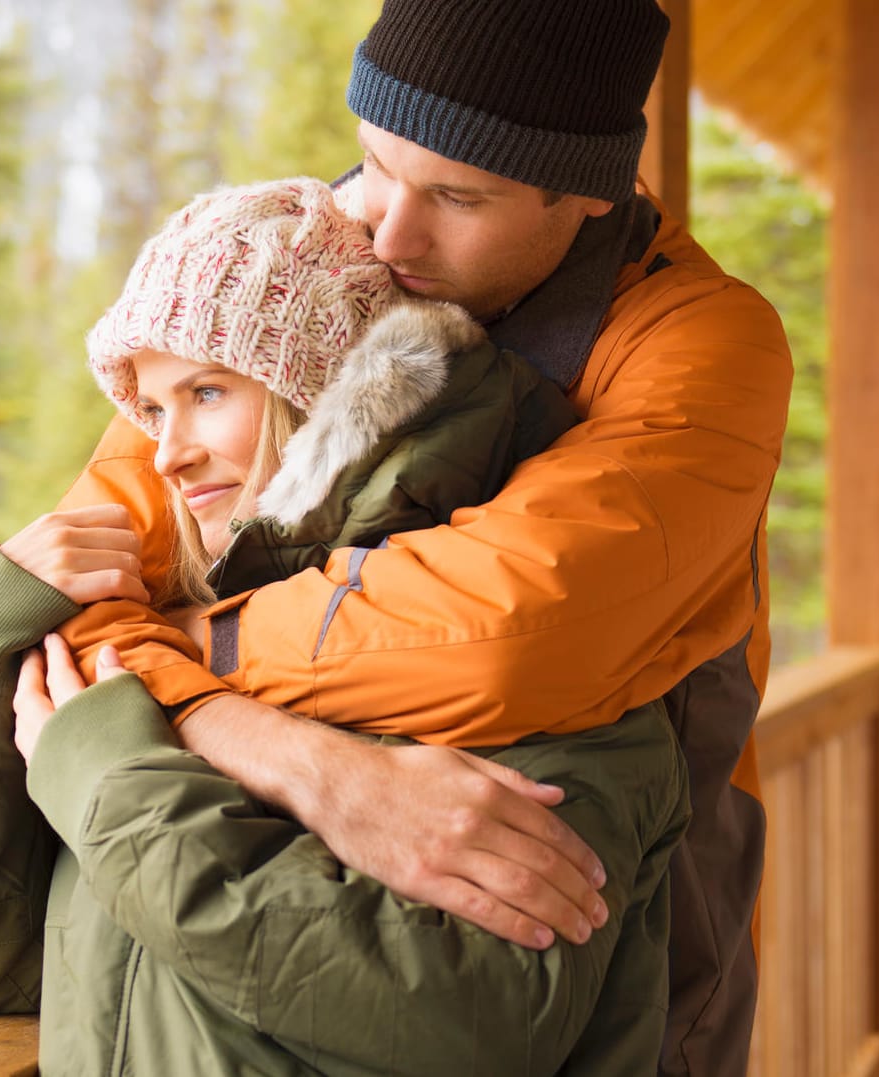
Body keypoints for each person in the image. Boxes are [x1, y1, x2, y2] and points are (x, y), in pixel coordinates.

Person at [51, 2, 794, 1071]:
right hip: (254, 961)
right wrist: (293, 760)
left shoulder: (700, 342)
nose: (387, 234)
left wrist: (181, 660)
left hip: (610, 945)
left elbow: (507, 637)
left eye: (457, 195)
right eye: (373, 165)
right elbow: (81, 579)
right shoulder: (305, 266)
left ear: (588, 191)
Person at [0, 177, 692, 1074]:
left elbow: (464, 1015)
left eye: (208, 392)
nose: (166, 452)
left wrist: (109, 777)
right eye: (151, 408)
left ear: (334, 399)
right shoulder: (163, 642)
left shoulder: (533, 652)